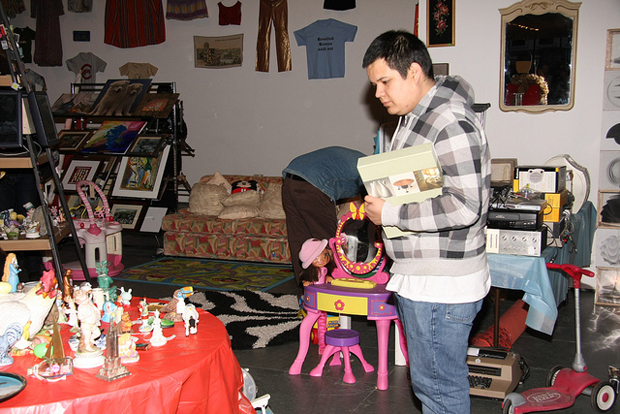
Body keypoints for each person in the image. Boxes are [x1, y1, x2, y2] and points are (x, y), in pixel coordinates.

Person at [362, 30, 491, 414]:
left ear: (414, 71)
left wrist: (391, 213)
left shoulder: (448, 120)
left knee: (439, 392)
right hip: (425, 276)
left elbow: (466, 205)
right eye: (374, 85)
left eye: (385, 81)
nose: (378, 93)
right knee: (432, 386)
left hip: (442, 283)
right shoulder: (415, 118)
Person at [282, 146, 365, 296]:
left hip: (290, 178)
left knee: (300, 239)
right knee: (330, 243)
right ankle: (333, 294)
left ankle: (305, 294)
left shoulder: (356, 159)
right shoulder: (370, 171)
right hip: (313, 184)